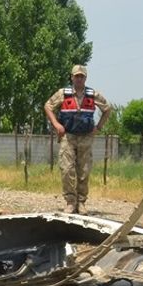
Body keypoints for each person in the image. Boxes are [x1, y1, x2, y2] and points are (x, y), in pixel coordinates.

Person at [43, 64, 112, 213]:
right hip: (68, 136)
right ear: (72, 77)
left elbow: (107, 109)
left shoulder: (93, 94)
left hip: (86, 137)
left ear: (85, 78)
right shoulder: (63, 93)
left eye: (82, 76)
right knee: (67, 169)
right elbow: (48, 106)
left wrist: (98, 128)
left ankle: (81, 202)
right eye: (76, 76)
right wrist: (56, 124)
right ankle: (70, 202)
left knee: (84, 170)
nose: (79, 79)